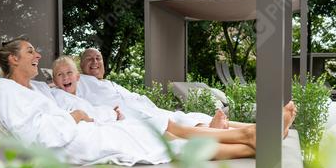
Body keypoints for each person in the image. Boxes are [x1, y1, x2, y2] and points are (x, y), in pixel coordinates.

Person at [0, 37, 294, 164]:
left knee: (167, 137)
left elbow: (77, 110)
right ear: (13, 58)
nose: (37, 56)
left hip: (89, 129)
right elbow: (36, 136)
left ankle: (253, 140)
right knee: (166, 140)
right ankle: (252, 138)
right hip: (74, 143)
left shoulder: (36, 89)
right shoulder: (9, 94)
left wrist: (101, 116)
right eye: (31, 51)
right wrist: (73, 118)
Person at [78, 48, 256, 130]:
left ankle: (255, 128)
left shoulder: (110, 83)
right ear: (80, 65)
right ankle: (211, 128)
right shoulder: (80, 82)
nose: (95, 62)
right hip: (129, 115)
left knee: (181, 116)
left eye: (98, 58)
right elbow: (60, 86)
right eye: (89, 59)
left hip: (143, 108)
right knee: (174, 121)